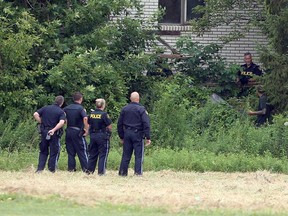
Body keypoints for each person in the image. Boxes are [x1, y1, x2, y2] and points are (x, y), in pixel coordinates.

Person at [117, 92, 151, 176]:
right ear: (138, 99)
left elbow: (119, 123)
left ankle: (122, 173)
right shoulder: (141, 109)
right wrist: (148, 137)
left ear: (130, 98)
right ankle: (138, 173)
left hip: (127, 133)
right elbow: (146, 123)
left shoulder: (124, 109)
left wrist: (121, 136)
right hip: (138, 134)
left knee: (126, 155)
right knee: (138, 155)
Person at [33, 96, 66, 173]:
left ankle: (39, 169)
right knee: (54, 151)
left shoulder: (45, 108)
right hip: (54, 133)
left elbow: (35, 114)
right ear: (62, 103)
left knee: (43, 151)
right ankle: (51, 170)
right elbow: (61, 122)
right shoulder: (60, 111)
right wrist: (54, 130)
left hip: (44, 131)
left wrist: (41, 122)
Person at [63, 92, 89, 172]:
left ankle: (71, 169)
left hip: (69, 130)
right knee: (82, 150)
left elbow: (63, 119)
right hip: (77, 132)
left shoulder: (66, 108)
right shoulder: (80, 108)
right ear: (81, 99)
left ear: (73, 99)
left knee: (70, 152)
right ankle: (86, 169)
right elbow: (85, 118)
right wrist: (86, 129)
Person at [86, 98, 112, 175]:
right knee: (103, 154)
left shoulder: (91, 114)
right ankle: (101, 172)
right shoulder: (104, 114)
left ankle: (89, 171)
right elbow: (109, 125)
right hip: (102, 135)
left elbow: (88, 123)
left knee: (92, 154)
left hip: (93, 135)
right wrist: (109, 133)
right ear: (103, 105)